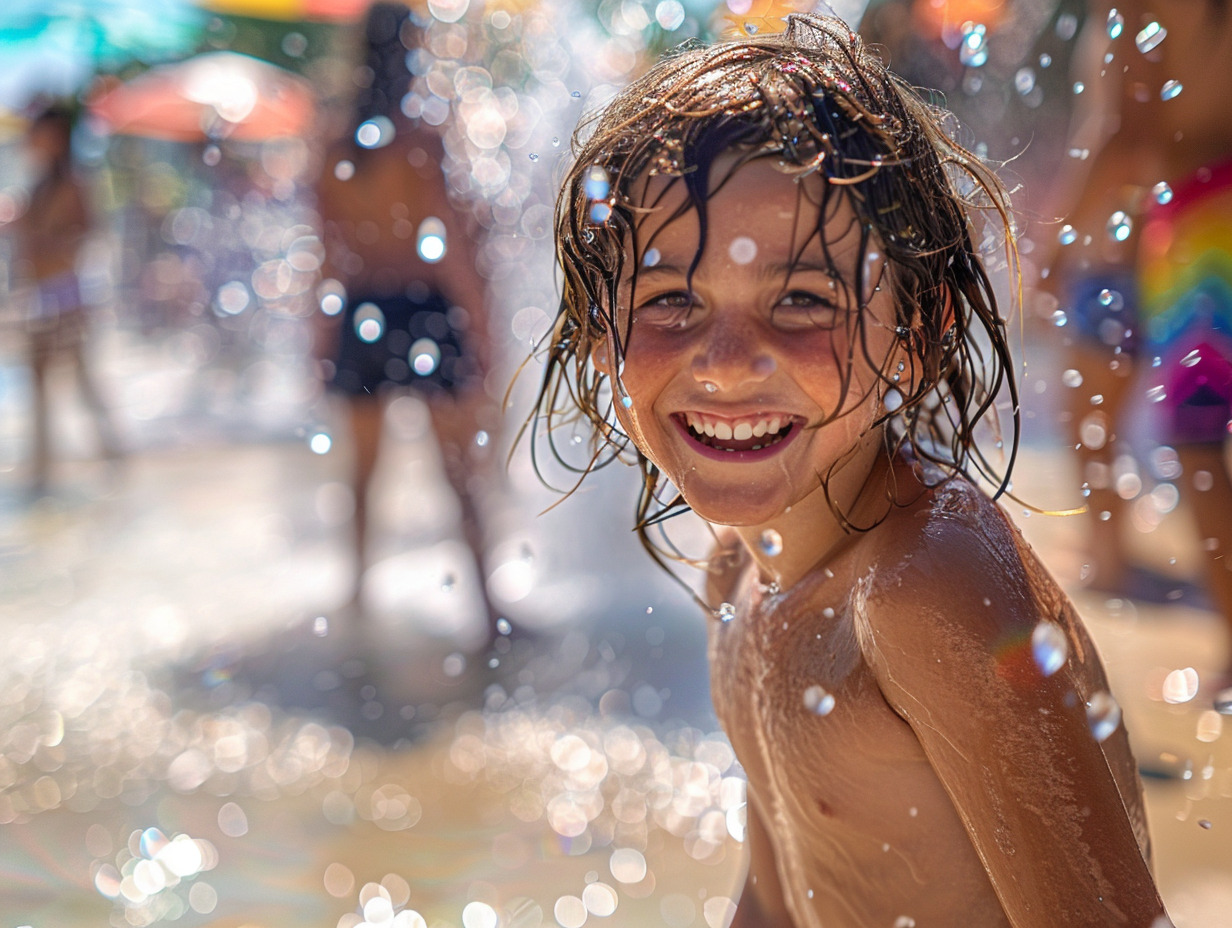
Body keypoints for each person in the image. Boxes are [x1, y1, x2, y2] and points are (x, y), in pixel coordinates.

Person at [533, 14, 1168, 924]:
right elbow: (777, 897)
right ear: (602, 336)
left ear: (919, 332)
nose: (726, 359)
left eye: (801, 299)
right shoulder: (737, 574)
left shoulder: (924, 593)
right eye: (672, 298)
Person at [1046, 0, 1232, 701]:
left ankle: (1114, 562)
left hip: (1179, 226)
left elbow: (1125, 132)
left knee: (1191, 441)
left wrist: (1056, 241)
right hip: (1211, 214)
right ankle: (1107, 558)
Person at [315, 3, 498, 633]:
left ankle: (356, 602)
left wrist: (319, 339)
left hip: (361, 308)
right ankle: (489, 611)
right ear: (409, 51)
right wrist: (481, 328)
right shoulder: (419, 138)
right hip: (423, 309)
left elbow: (326, 256)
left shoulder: (335, 142)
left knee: (362, 475)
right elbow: (450, 246)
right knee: (458, 478)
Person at [9, 104, 120, 496]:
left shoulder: (71, 182)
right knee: (47, 383)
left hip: (66, 296)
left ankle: (106, 460)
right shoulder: (39, 185)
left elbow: (87, 236)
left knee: (79, 381)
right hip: (43, 297)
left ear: (55, 137)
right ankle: (45, 472)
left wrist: (44, 244)